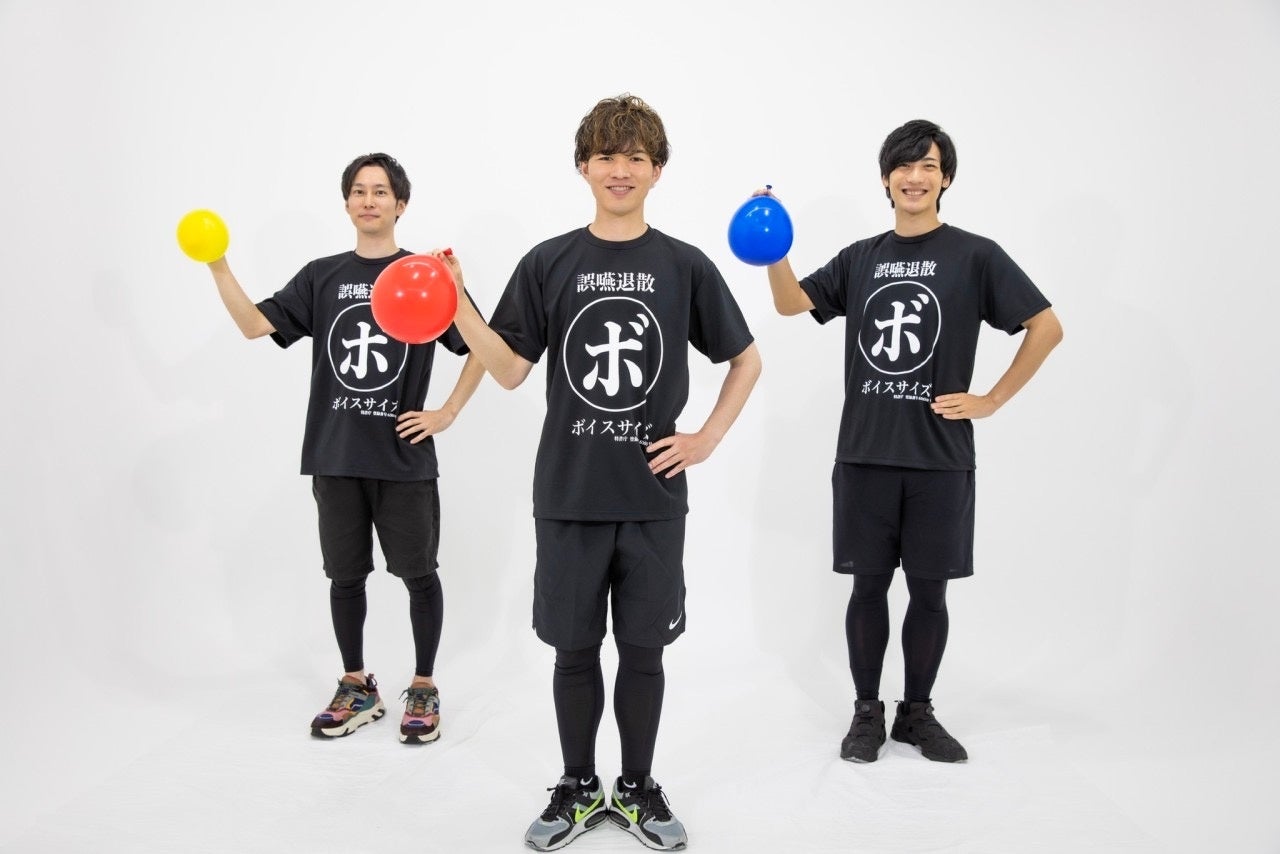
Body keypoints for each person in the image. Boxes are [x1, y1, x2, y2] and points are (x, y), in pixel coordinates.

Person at [438, 95, 761, 851]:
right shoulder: (549, 261)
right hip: (570, 495)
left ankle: (638, 787)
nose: (621, 169)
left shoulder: (684, 265)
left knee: (644, 651)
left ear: (657, 170)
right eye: (606, 156)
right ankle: (579, 785)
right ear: (583, 166)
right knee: (574, 650)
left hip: (653, 499)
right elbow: (510, 370)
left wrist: (707, 437)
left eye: (636, 157)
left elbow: (745, 359)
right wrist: (458, 306)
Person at [759, 120, 1062, 764]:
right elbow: (791, 304)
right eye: (903, 166)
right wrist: (775, 247)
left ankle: (916, 713)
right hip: (865, 455)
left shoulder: (975, 256)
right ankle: (866, 711)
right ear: (885, 179)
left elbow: (1046, 326)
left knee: (929, 593)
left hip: (939, 458)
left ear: (945, 178)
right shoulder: (861, 257)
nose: (915, 177)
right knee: (867, 589)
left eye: (928, 165)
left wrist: (991, 399)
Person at [205, 152, 485, 745]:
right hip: (335, 456)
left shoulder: (426, 275)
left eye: (380, 191)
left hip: (403, 459)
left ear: (400, 204)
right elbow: (255, 325)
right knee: (345, 577)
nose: (368, 200)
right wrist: (218, 263)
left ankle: (424, 685)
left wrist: (447, 411)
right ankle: (356, 685)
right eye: (358, 190)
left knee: (419, 575)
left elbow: (483, 346)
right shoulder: (322, 276)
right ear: (347, 203)